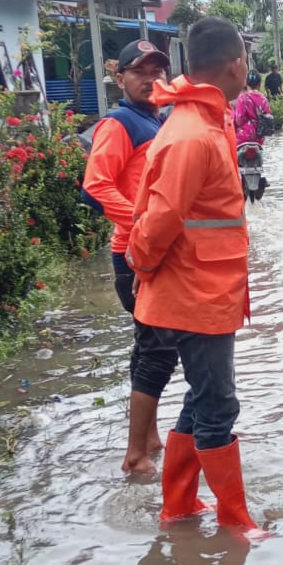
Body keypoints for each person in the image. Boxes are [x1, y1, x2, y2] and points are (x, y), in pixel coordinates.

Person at [127, 16, 265, 537]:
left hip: (207, 292)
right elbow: (158, 221)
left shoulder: (206, 122)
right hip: (194, 295)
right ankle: (235, 519)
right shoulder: (191, 134)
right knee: (218, 404)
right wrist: (141, 269)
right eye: (246, 61)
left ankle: (179, 505)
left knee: (202, 399)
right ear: (235, 65)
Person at [82, 39, 173, 474]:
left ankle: (149, 438)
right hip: (135, 255)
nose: (151, 79)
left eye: (158, 71)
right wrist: (142, 222)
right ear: (120, 78)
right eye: (141, 71)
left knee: (149, 346)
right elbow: (96, 186)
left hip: (149, 250)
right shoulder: (119, 124)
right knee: (158, 349)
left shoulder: (155, 121)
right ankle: (136, 456)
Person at [232, 70, 272, 146]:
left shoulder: (242, 98)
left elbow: (239, 120)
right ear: (259, 84)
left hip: (243, 138)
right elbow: (268, 118)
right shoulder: (264, 99)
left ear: (246, 84)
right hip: (259, 138)